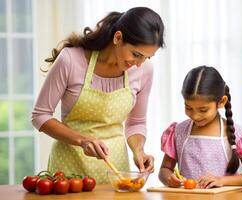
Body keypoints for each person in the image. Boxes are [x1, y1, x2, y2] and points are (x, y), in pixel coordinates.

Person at [32, 7, 164, 183]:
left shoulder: (144, 70)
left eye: (147, 57)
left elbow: (136, 123)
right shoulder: (70, 59)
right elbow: (40, 116)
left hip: (116, 172)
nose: (139, 64)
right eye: (136, 54)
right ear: (118, 38)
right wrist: (82, 140)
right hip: (68, 172)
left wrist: (139, 150)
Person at [159, 66, 242, 188]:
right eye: (188, 108)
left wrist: (222, 180)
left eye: (203, 110)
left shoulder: (237, 133)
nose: (195, 116)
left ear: (221, 102)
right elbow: (165, 169)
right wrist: (168, 178)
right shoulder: (178, 132)